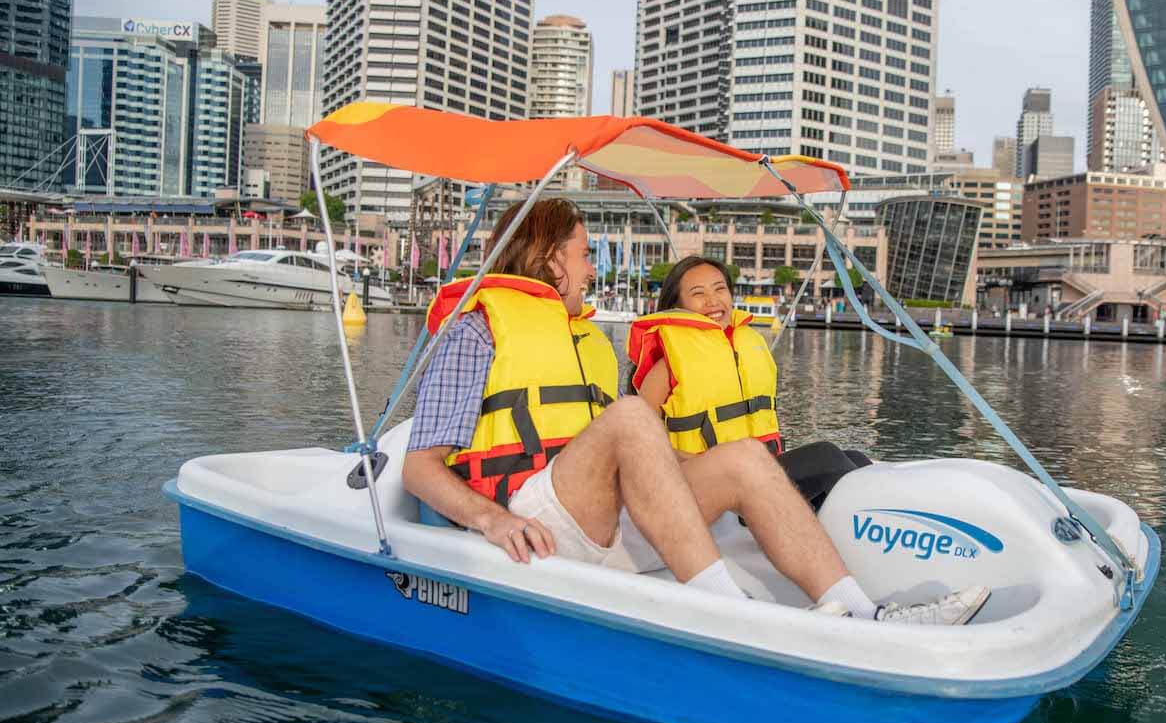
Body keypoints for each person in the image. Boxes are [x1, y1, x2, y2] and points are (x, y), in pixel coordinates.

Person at [403, 199, 989, 624]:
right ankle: (731, 614)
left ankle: (868, 614)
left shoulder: (579, 337)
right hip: (533, 520)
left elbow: (615, 449)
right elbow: (420, 468)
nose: (590, 268)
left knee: (740, 458)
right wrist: (494, 521)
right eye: (583, 255)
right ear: (551, 258)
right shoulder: (475, 331)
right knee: (633, 416)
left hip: (599, 516)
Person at [628, 255, 869, 509]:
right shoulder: (667, 364)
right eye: (698, 293)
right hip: (706, 481)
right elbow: (638, 439)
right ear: (677, 305)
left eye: (720, 289)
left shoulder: (744, 343)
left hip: (754, 470)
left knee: (857, 459)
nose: (713, 301)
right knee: (826, 457)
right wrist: (688, 461)